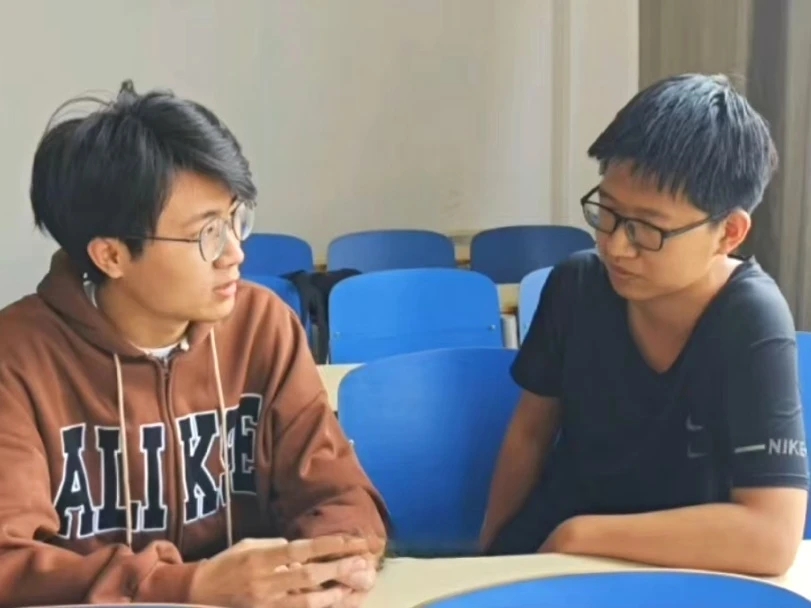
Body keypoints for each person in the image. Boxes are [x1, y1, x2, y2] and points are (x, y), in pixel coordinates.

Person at [0, 80, 388, 608]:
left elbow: (338, 494)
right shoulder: (17, 357)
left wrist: (332, 561)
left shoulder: (263, 326)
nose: (235, 253)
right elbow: (9, 562)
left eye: (236, 220)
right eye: (207, 233)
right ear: (111, 256)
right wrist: (190, 586)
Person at [480, 74, 809, 576]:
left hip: (679, 567)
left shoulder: (750, 318)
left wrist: (582, 534)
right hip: (553, 558)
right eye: (607, 213)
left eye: (647, 229)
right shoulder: (577, 286)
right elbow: (530, 433)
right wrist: (487, 558)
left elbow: (771, 537)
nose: (616, 246)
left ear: (729, 233)